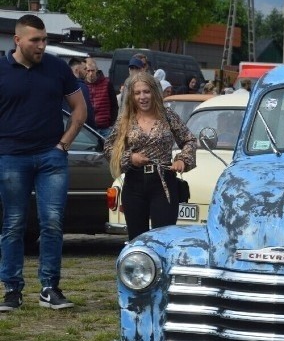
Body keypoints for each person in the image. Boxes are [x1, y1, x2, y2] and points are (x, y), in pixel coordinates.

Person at [0, 14, 87, 312]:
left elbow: (79, 109)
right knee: (13, 224)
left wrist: (63, 145)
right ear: (18, 40)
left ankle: (49, 287)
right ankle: (12, 290)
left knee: (52, 223)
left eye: (44, 39)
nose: (41, 45)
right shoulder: (1, 69)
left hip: (51, 157)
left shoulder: (57, 67)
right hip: (11, 156)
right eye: (35, 40)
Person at [104, 72, 197, 241]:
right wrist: (130, 158)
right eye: (137, 93)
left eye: (146, 91)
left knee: (163, 237)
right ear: (131, 96)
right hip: (134, 183)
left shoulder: (168, 116)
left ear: (155, 92)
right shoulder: (125, 120)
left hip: (163, 183)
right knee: (137, 238)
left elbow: (189, 139)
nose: (142, 97)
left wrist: (182, 159)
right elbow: (108, 148)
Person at [85, 57, 117, 136]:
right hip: (88, 128)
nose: (91, 73)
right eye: (88, 71)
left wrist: (112, 123)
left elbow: (114, 105)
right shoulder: (82, 85)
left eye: (92, 70)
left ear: (96, 70)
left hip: (105, 128)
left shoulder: (107, 83)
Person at [67, 57, 97, 128]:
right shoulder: (81, 87)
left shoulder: (61, 84)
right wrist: (93, 130)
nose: (87, 71)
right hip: (80, 131)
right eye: (84, 69)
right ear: (77, 70)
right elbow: (87, 111)